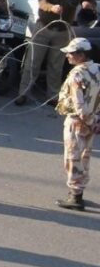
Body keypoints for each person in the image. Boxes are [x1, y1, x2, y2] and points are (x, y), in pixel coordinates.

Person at [16, 0, 97, 106]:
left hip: (63, 31)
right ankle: (23, 93)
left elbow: (91, 2)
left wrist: (87, 4)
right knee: (33, 63)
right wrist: (51, 7)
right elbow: (41, 2)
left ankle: (52, 96)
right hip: (44, 28)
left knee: (56, 65)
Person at [54, 37, 99, 211]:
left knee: (73, 158)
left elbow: (79, 105)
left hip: (77, 121)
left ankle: (75, 196)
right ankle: (79, 192)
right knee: (85, 156)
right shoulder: (98, 69)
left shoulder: (77, 74)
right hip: (93, 120)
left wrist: (89, 121)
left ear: (81, 55)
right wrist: (96, 121)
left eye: (71, 54)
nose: (68, 56)